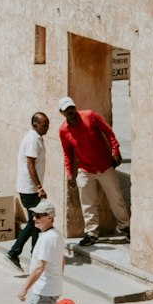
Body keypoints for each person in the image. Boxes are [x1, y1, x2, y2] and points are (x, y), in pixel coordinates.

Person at [57, 96, 130, 245]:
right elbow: (67, 153)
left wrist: (115, 150)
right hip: (85, 169)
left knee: (116, 198)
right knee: (87, 203)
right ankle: (91, 233)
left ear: (74, 107)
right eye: (66, 110)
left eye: (71, 107)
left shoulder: (90, 116)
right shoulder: (63, 130)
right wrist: (70, 174)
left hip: (104, 165)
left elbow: (108, 132)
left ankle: (125, 227)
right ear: (61, 113)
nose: (70, 111)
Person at [8, 111, 50, 268]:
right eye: (44, 125)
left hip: (29, 188)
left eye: (48, 124)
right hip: (30, 189)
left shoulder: (36, 138)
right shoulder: (33, 140)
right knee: (35, 222)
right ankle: (14, 252)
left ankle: (35, 254)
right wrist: (39, 187)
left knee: (36, 222)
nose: (47, 128)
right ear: (35, 125)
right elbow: (30, 164)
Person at [17, 200, 64, 304]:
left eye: (38, 215)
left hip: (44, 292)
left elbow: (39, 268)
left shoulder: (47, 238)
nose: (34, 218)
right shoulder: (57, 234)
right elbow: (62, 260)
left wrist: (24, 289)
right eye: (34, 215)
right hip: (52, 289)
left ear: (50, 217)